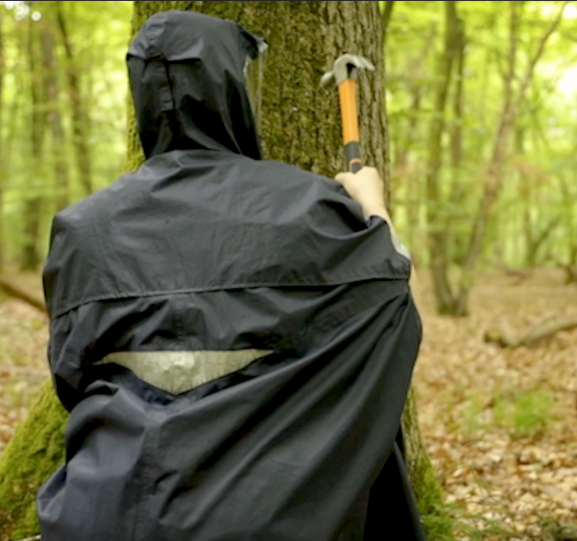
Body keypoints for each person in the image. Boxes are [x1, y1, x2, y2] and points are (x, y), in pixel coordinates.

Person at [37, 10, 424, 541]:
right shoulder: (309, 207)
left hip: (105, 510)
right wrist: (372, 211)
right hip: (269, 512)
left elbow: (70, 371)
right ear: (232, 88)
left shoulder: (82, 228)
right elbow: (386, 302)